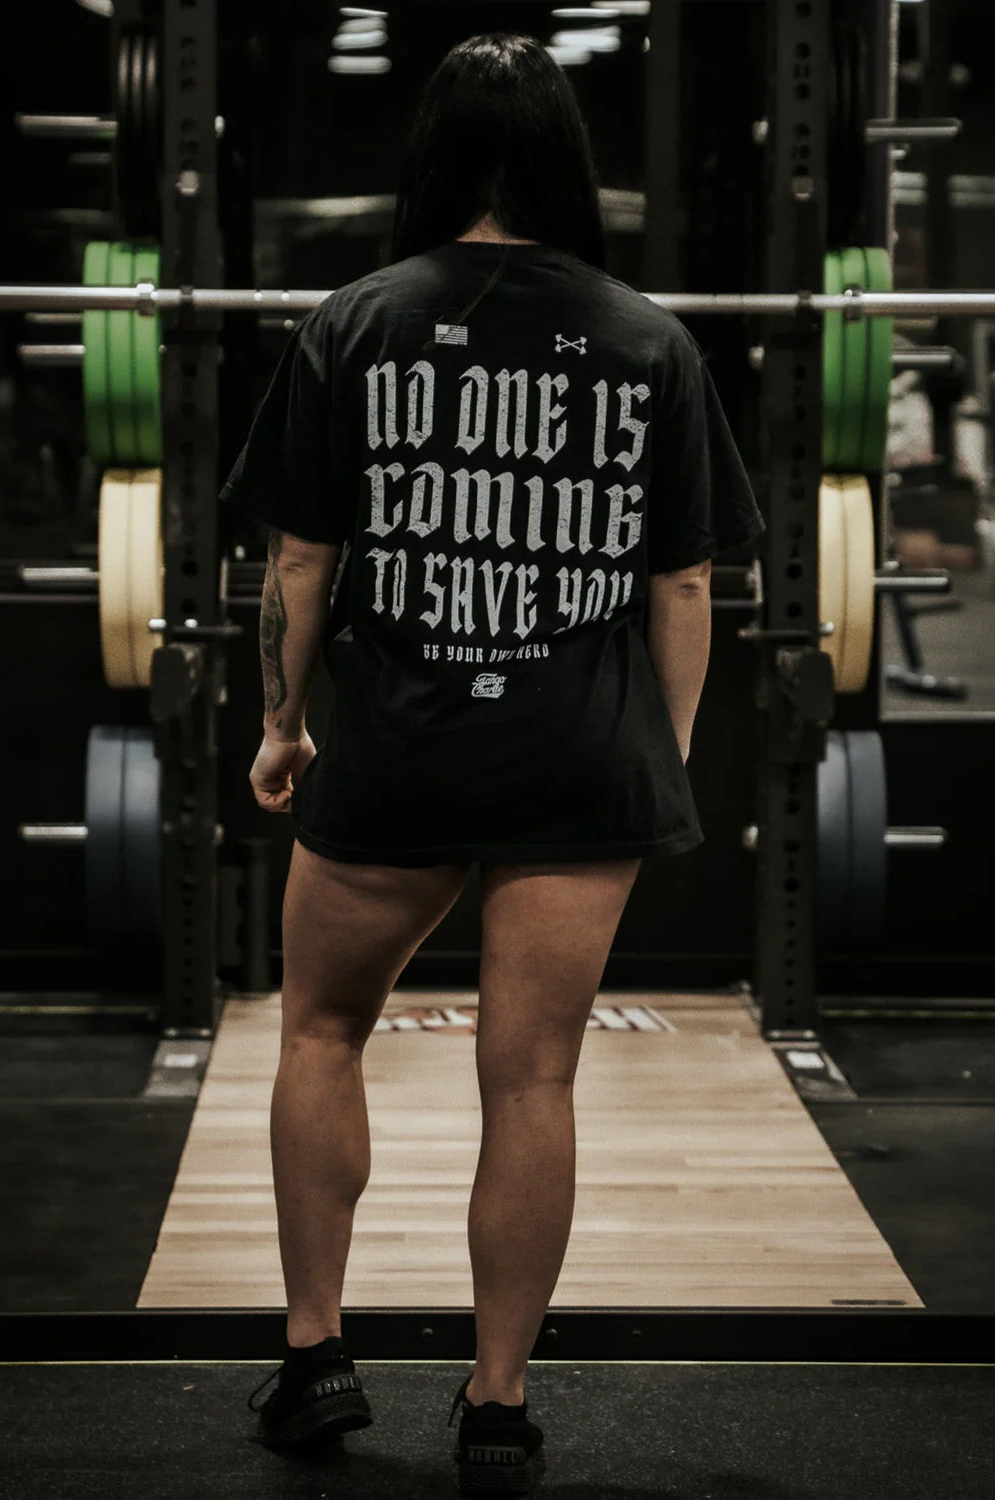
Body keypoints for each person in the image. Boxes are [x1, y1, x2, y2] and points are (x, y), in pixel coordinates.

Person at [222, 30, 765, 1494]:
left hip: (396, 750)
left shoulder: (354, 322)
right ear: (570, 168)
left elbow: (298, 562)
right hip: (579, 757)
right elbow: (685, 588)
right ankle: (501, 1404)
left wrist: (281, 725)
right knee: (535, 1081)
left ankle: (317, 1356)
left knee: (322, 1029)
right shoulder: (650, 340)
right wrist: (660, 754)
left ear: (431, 160)